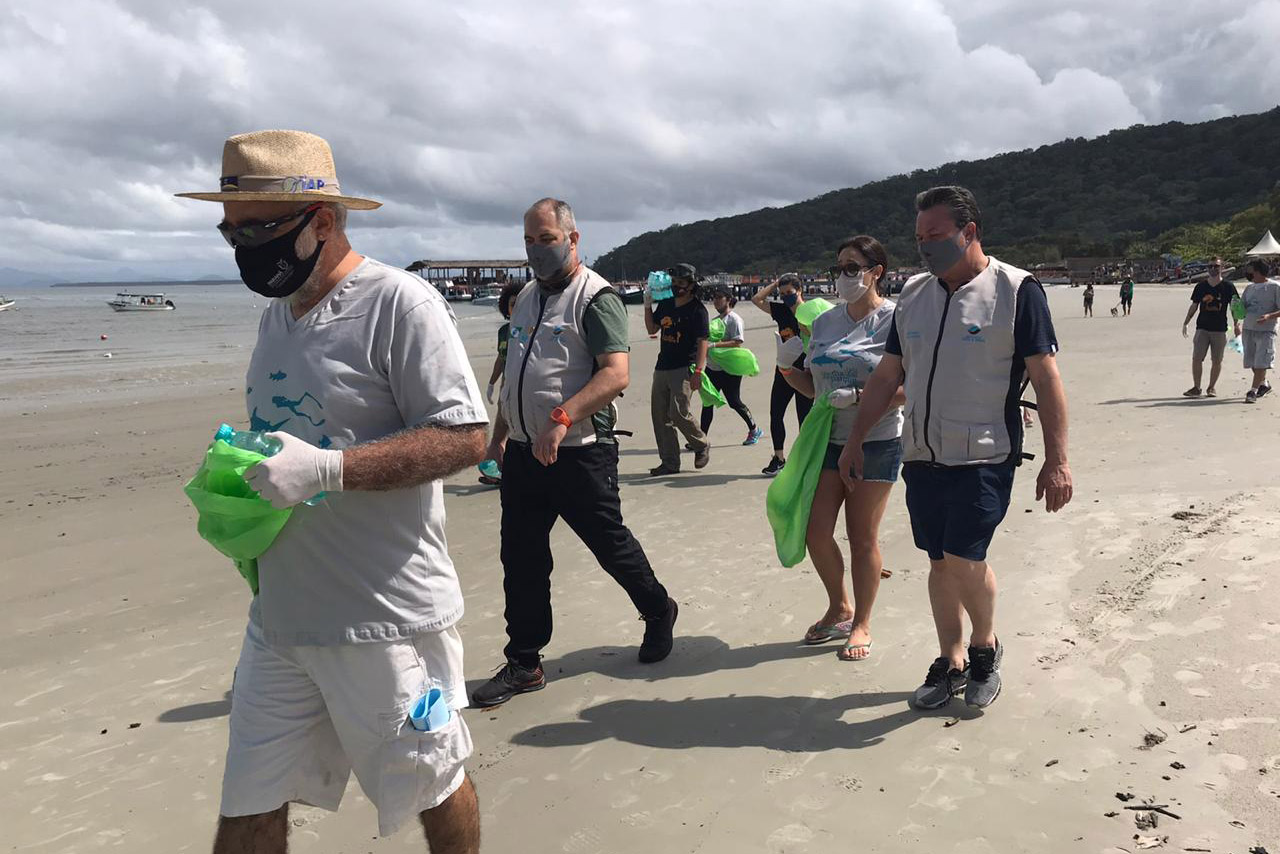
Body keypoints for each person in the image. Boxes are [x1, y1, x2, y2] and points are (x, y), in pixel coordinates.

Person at [177, 130, 486, 853]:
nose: (242, 247)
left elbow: (466, 437)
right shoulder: (274, 317)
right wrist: (242, 484)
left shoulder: (398, 304)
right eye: (231, 231)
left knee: (432, 784)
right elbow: (291, 432)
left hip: (383, 620)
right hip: (280, 617)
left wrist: (327, 471)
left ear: (322, 220)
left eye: (257, 229)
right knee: (248, 805)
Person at [844, 185, 1072, 710]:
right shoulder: (915, 296)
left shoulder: (1017, 290)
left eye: (937, 236)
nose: (925, 247)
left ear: (969, 232)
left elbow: (1046, 378)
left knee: (964, 559)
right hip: (921, 453)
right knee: (938, 563)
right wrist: (856, 437)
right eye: (920, 237)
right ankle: (950, 661)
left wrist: (1058, 460)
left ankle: (985, 647)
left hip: (985, 455)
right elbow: (887, 375)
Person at [471, 198, 678, 708]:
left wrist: (561, 419)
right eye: (529, 241)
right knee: (520, 558)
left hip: (581, 452)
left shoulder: (596, 297)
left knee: (609, 544)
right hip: (523, 453)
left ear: (572, 238)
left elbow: (616, 373)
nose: (537, 249)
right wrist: (500, 433)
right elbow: (517, 373)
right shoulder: (523, 300)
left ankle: (658, 610)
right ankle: (524, 661)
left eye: (546, 238)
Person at [779, 235, 904, 659]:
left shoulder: (895, 320)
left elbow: (912, 386)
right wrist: (785, 367)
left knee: (861, 536)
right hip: (828, 438)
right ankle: (839, 606)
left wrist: (860, 394)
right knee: (816, 531)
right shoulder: (828, 322)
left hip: (878, 440)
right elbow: (814, 387)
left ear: (876, 273)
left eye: (853, 268)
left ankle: (862, 623)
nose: (843, 277)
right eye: (839, 268)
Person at [644, 263, 712, 475]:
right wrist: (648, 306)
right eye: (673, 283)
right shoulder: (665, 304)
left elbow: (703, 341)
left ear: (691, 285)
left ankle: (701, 445)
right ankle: (670, 462)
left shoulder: (698, 310)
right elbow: (652, 329)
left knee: (678, 412)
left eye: (681, 283)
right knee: (660, 415)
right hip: (662, 365)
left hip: (685, 367)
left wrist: (699, 372)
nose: (676, 286)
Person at [750, 273, 813, 476]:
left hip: (805, 371)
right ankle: (779, 458)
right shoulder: (780, 310)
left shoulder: (810, 312)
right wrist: (776, 284)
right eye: (783, 293)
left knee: (804, 418)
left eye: (790, 292)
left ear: (800, 290)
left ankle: (805, 460)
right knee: (776, 413)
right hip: (784, 370)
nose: (786, 296)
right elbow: (756, 299)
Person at [478, 282, 526, 484]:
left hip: (524, 386)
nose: (515, 308)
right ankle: (502, 469)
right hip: (506, 386)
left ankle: (506, 467)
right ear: (506, 307)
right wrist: (491, 383)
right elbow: (501, 358)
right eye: (512, 304)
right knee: (503, 424)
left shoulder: (532, 328)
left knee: (514, 429)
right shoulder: (504, 332)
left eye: (519, 303)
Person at [702, 285, 763, 444]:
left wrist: (714, 346)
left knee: (734, 401)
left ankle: (754, 429)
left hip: (729, 369)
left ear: (728, 300)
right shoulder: (715, 321)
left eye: (719, 298)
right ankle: (700, 439)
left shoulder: (734, 319)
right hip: (712, 367)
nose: (715, 301)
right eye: (714, 298)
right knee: (708, 402)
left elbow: (737, 342)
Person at [1181, 257, 1240, 398]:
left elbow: (1235, 306)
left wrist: (1237, 324)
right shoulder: (1201, 286)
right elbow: (1194, 305)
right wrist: (1186, 322)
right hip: (1202, 327)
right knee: (1197, 358)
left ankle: (1211, 387)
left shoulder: (1228, 287)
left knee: (1217, 360)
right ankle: (1196, 387)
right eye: (1211, 266)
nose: (1213, 268)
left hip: (1220, 329)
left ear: (1222, 268)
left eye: (1216, 266)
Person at [1240, 258, 1280, 403]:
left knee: (1261, 361)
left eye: (1250, 269)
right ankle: (1264, 384)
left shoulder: (1274, 287)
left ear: (1257, 271)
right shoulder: (1249, 288)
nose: (1248, 273)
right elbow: (1242, 307)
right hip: (1248, 328)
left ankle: (1253, 391)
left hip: (1266, 330)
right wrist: (1236, 313)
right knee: (1252, 361)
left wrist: (1269, 316)